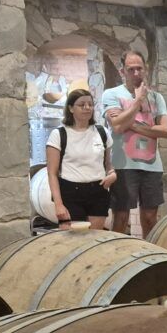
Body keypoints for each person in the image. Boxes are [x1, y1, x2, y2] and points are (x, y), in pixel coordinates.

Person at [102, 51, 167, 238]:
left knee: (150, 218)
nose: (136, 73)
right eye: (131, 69)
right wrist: (138, 100)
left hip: (152, 166)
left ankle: (150, 252)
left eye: (139, 68)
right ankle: (118, 254)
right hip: (123, 165)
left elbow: (165, 131)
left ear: (145, 69)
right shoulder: (111, 94)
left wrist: (130, 124)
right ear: (122, 71)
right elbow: (116, 127)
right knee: (121, 218)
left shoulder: (157, 98)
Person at [46, 89, 116, 230]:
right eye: (82, 104)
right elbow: (52, 173)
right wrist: (58, 204)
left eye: (90, 104)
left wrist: (113, 174)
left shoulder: (102, 132)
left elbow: (109, 165)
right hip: (70, 192)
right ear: (71, 108)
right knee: (72, 239)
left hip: (98, 190)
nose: (87, 107)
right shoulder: (59, 134)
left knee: (95, 239)